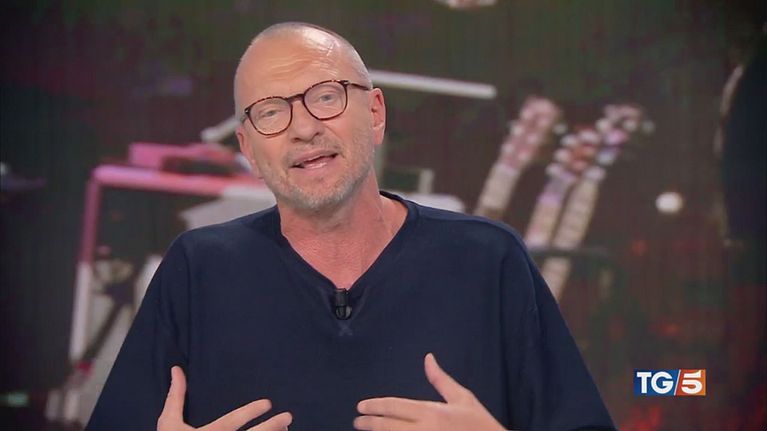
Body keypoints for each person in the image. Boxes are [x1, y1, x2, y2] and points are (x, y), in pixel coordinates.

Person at [87, 22, 616, 431]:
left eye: (325, 96)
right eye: (270, 112)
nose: (303, 128)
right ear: (248, 149)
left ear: (376, 113)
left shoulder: (488, 260)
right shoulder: (199, 269)